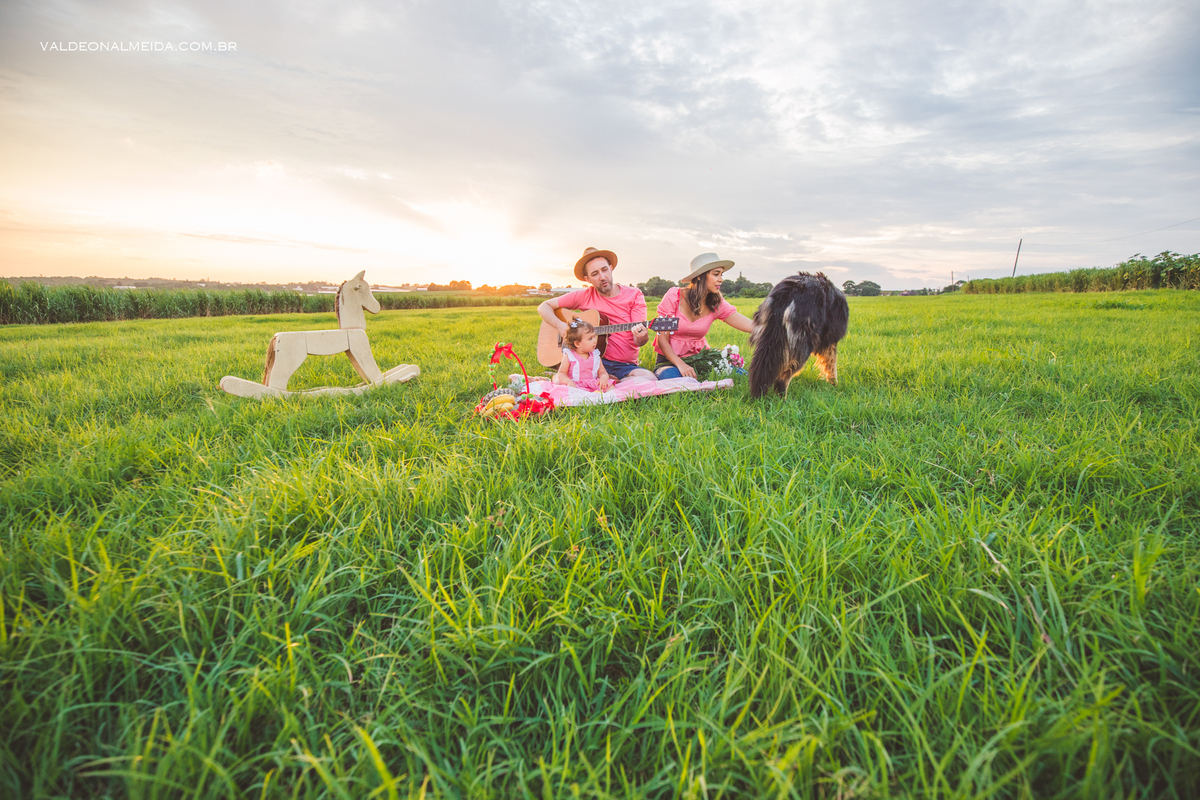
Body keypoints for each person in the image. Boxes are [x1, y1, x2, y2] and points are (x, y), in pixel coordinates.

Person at [537, 247, 657, 382]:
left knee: (649, 378)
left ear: (611, 268)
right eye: (595, 274)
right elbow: (543, 307)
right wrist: (560, 325)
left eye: (604, 270)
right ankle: (603, 381)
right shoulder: (583, 296)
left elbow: (638, 341)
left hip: (624, 365)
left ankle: (605, 381)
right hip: (589, 361)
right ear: (587, 279)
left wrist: (642, 336)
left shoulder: (634, 295)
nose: (602, 277)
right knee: (560, 381)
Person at [653, 252, 755, 379]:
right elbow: (662, 340)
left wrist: (777, 326)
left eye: (721, 275)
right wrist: (681, 365)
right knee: (672, 377)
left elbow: (750, 326)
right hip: (670, 362)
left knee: (741, 375)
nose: (721, 279)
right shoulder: (673, 296)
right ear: (700, 276)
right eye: (716, 274)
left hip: (701, 358)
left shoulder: (716, 303)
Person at [553, 318, 614, 392]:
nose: (595, 341)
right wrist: (568, 382)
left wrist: (603, 377)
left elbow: (602, 371)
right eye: (590, 339)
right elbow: (562, 373)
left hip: (592, 383)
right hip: (575, 385)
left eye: (594, 337)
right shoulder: (570, 356)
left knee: (611, 388)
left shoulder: (595, 356)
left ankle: (613, 396)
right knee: (564, 392)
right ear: (577, 344)